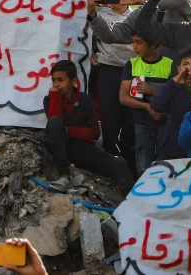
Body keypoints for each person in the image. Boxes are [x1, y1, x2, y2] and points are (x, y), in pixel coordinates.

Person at [43, 60, 133, 192]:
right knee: (55, 122)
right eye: (54, 80)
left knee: (119, 163)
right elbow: (55, 123)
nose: (56, 85)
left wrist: (68, 130)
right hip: (59, 147)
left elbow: (94, 133)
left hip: (82, 149)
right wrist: (55, 97)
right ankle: (64, 175)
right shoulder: (50, 99)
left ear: (73, 81)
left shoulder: (84, 100)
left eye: (60, 80)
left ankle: (131, 200)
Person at [90, 0, 137, 162]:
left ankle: (128, 158)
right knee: (109, 117)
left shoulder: (136, 16)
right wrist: (94, 53)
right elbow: (89, 40)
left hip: (133, 71)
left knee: (130, 119)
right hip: (108, 69)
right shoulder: (99, 15)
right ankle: (111, 159)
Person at [118, 33, 172, 175]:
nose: (134, 46)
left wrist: (152, 90)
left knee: (164, 164)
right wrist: (147, 107)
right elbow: (123, 97)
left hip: (164, 123)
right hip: (140, 122)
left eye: (139, 42)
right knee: (142, 164)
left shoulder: (170, 64)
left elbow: (174, 96)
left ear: (153, 44)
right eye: (133, 42)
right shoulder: (132, 64)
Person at [150, 46, 191, 160]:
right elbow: (155, 105)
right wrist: (174, 81)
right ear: (179, 68)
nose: (189, 69)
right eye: (185, 64)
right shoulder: (173, 88)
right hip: (170, 149)